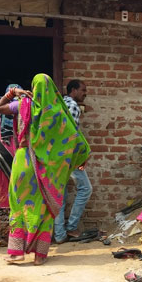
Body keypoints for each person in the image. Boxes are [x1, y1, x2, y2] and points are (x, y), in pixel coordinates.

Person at [0, 74, 90, 265]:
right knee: (45, 207)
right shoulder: (58, 112)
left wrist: (13, 92)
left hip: (23, 161)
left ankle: (16, 252)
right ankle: (40, 255)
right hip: (46, 168)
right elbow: (74, 138)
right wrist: (79, 158)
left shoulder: (23, 105)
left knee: (19, 204)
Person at [54, 79, 92, 243]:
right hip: (70, 157)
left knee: (60, 196)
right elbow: (70, 136)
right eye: (83, 90)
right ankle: (71, 227)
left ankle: (59, 234)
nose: (85, 93)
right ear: (73, 90)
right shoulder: (73, 106)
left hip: (57, 157)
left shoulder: (60, 104)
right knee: (85, 188)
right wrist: (81, 157)